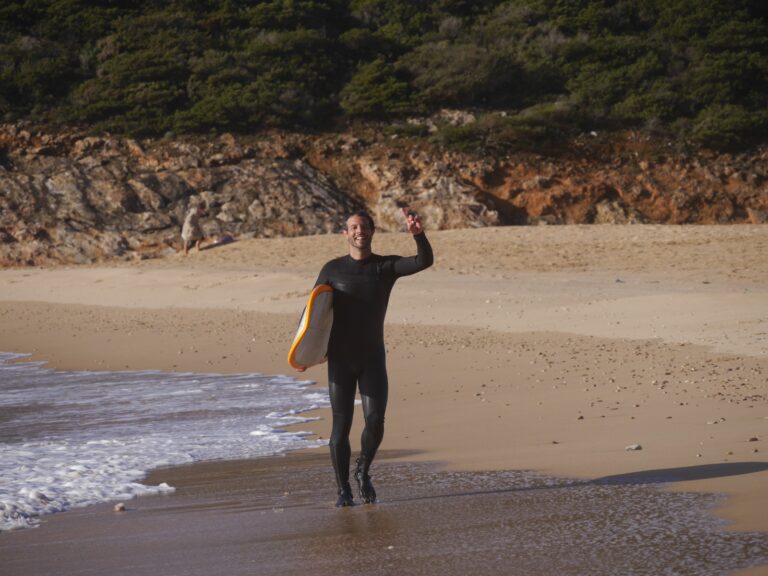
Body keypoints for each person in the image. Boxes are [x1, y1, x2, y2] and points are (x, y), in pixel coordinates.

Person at [313, 207, 433, 507]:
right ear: (345, 233)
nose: (359, 231)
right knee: (340, 427)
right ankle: (343, 491)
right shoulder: (332, 269)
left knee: (376, 421)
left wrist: (418, 235)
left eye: (364, 226)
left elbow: (423, 261)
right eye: (353, 227)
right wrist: (306, 351)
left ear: (372, 231)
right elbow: (314, 313)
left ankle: (363, 470)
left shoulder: (384, 267)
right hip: (340, 358)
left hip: (372, 357)